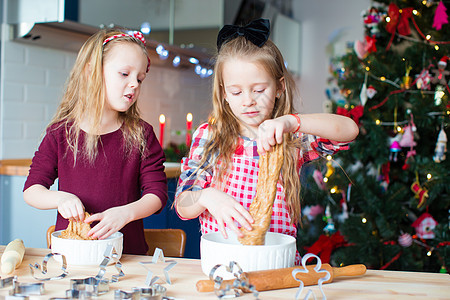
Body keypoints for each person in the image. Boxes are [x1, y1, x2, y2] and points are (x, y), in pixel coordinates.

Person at [174, 19, 359, 262]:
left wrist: (293, 122)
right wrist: (206, 196)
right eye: (236, 92)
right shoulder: (211, 136)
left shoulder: (290, 136)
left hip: (277, 262)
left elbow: (349, 129)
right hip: (225, 261)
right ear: (224, 93)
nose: (248, 100)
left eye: (259, 90)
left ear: (279, 87)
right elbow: (183, 205)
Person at [23, 28, 167, 255]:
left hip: (127, 256)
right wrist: (61, 198)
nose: (135, 84)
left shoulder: (142, 134)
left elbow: (157, 194)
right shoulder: (60, 134)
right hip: (72, 256)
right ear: (92, 72)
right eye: (124, 74)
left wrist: (125, 213)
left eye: (140, 78)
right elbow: (32, 190)